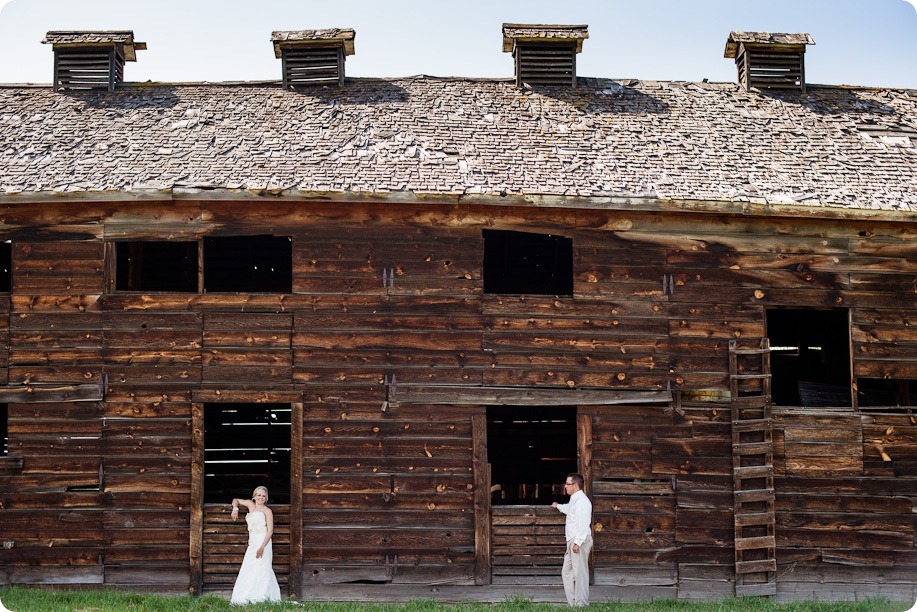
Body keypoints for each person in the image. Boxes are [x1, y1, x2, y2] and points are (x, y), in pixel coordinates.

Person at [229, 485, 282, 605]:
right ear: (254, 496)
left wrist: (262, 547)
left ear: (266, 498)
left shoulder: (267, 511)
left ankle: (263, 596)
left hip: (263, 541)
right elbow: (235, 500)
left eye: (263, 496)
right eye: (259, 495)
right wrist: (235, 508)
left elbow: (270, 531)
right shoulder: (250, 505)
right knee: (249, 567)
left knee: (263, 567)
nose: (261, 498)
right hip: (252, 541)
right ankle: (247, 595)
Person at [551, 473, 593, 607]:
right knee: (567, 571)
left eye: (568, 484)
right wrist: (558, 506)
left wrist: (578, 542)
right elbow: (569, 510)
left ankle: (581, 605)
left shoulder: (582, 501)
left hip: (578, 540)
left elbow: (584, 522)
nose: (565, 486)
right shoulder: (575, 499)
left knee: (580, 573)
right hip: (572, 540)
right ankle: (573, 603)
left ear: (575, 485)